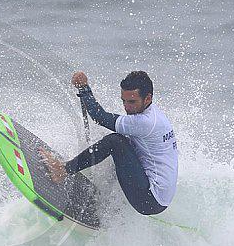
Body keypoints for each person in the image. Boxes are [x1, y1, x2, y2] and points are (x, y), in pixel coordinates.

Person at [39, 71, 178, 215]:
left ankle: (62, 170)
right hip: (161, 197)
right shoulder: (155, 115)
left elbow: (99, 116)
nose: (126, 107)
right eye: (123, 101)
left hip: (149, 200)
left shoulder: (145, 123)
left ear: (148, 98)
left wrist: (84, 88)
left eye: (132, 102)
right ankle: (109, 203)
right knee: (122, 148)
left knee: (115, 142)